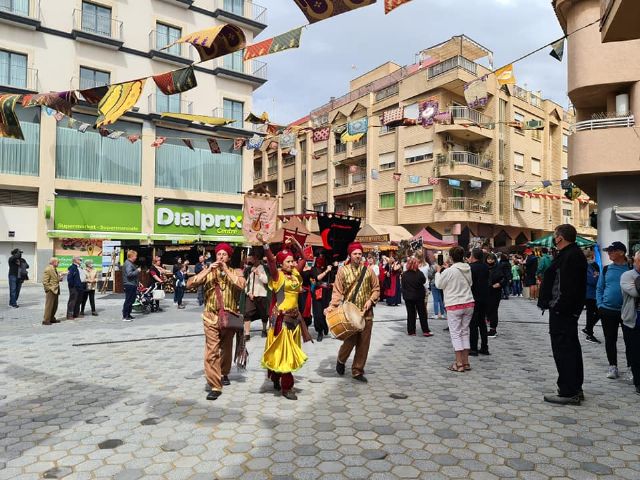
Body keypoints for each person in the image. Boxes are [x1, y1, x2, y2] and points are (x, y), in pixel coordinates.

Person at [188, 243, 246, 401]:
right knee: (212, 350)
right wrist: (208, 269)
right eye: (219, 254)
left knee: (226, 348)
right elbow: (190, 283)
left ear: (229, 257)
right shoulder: (209, 272)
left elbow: (241, 285)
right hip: (210, 316)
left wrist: (226, 270)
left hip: (229, 317)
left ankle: (224, 373)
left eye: (224, 255)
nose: (221, 257)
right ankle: (215, 385)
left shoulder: (237, 271)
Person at [539, 224, 587, 405]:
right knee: (570, 348)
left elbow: (567, 288)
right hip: (566, 311)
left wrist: (557, 307)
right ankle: (574, 387)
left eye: (554, 235)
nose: (553, 238)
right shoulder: (570, 254)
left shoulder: (570, 256)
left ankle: (569, 391)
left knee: (564, 350)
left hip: (563, 312)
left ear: (560, 237)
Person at [260, 236, 313, 400]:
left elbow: (304, 258)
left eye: (292, 261)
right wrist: (265, 245)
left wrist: (296, 244)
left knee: (284, 353)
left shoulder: (295, 273)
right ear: (281, 264)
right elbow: (270, 261)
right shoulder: (278, 276)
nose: (292, 264)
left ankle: (276, 377)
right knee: (286, 353)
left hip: (295, 319)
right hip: (282, 321)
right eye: (288, 262)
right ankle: (287, 387)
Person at [327, 242, 380, 383]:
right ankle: (341, 359)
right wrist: (333, 306)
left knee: (364, 344)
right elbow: (337, 291)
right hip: (349, 314)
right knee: (349, 342)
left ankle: (357, 370)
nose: (357, 256)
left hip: (366, 313)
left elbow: (376, 288)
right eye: (355, 253)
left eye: (359, 254)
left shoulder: (368, 271)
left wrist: (371, 300)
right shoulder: (342, 271)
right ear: (350, 255)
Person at [435, 246, 474, 372]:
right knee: (465, 332)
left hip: (454, 304)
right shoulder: (467, 268)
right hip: (468, 303)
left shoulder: (449, 271)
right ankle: (466, 362)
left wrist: (437, 272)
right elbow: (471, 283)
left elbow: (439, 285)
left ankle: (459, 363)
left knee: (456, 334)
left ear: (451, 257)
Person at [596, 241, 631, 380]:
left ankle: (631, 367)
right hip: (608, 310)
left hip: (627, 311)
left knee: (631, 341)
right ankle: (613, 366)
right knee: (610, 340)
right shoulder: (606, 269)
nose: (609, 253)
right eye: (608, 251)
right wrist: (600, 305)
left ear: (621, 252)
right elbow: (600, 288)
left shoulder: (631, 269)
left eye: (612, 250)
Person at [620, 251, 640, 396]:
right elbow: (636, 293)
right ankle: (638, 382)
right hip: (633, 320)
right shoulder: (628, 275)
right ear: (636, 261)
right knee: (635, 352)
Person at [401, 257, 431, 337]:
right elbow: (424, 281)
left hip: (408, 297)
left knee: (411, 314)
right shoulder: (419, 273)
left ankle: (411, 331)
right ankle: (425, 330)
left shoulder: (404, 274)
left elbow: (403, 285)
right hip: (418, 296)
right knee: (422, 313)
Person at [242, 251, 269, 340]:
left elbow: (266, 281)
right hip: (251, 295)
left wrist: (259, 274)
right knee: (247, 313)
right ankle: (247, 333)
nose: (249, 260)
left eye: (251, 258)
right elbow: (245, 283)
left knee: (264, 314)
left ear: (256, 258)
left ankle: (264, 329)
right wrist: (248, 292)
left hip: (262, 294)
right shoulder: (248, 269)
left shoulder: (264, 268)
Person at [468, 248, 490, 356]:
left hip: (474, 297)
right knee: (482, 323)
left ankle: (473, 348)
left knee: (473, 324)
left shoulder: (471, 267)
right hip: (485, 298)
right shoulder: (485, 267)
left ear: (473, 256)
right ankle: (484, 347)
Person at [310, 256, 333, 341]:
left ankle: (325, 326)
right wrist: (327, 271)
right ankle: (320, 331)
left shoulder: (330, 267)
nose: (321, 258)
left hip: (327, 292)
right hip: (318, 292)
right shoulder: (314, 269)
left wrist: (333, 267)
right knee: (318, 313)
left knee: (326, 310)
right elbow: (317, 278)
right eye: (319, 256)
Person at [582, 250, 601, 343]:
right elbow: (593, 280)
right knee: (595, 312)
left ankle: (588, 329)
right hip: (590, 293)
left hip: (589, 293)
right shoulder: (589, 266)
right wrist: (597, 277)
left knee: (592, 312)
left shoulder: (589, 265)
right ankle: (589, 332)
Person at [486, 253, 505, 338]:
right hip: (486, 291)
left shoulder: (498, 268)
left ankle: (493, 329)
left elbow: (505, 278)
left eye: (492, 259)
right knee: (487, 310)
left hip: (495, 292)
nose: (490, 261)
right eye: (488, 259)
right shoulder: (484, 267)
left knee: (493, 310)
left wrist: (500, 284)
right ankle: (490, 327)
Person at [122, 250, 140, 322]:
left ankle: (128, 314)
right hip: (129, 284)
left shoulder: (129, 263)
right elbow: (129, 274)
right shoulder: (129, 264)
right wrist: (137, 271)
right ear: (132, 256)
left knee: (131, 300)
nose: (136, 257)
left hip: (132, 283)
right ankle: (125, 316)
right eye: (135, 256)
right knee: (129, 300)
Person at [42, 257, 61, 325]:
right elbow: (45, 281)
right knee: (49, 306)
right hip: (51, 290)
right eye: (58, 262)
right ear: (53, 262)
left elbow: (55, 279)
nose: (59, 263)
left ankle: (52, 318)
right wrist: (48, 289)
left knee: (55, 305)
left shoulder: (54, 269)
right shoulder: (48, 269)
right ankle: (46, 320)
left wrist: (60, 277)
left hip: (56, 289)